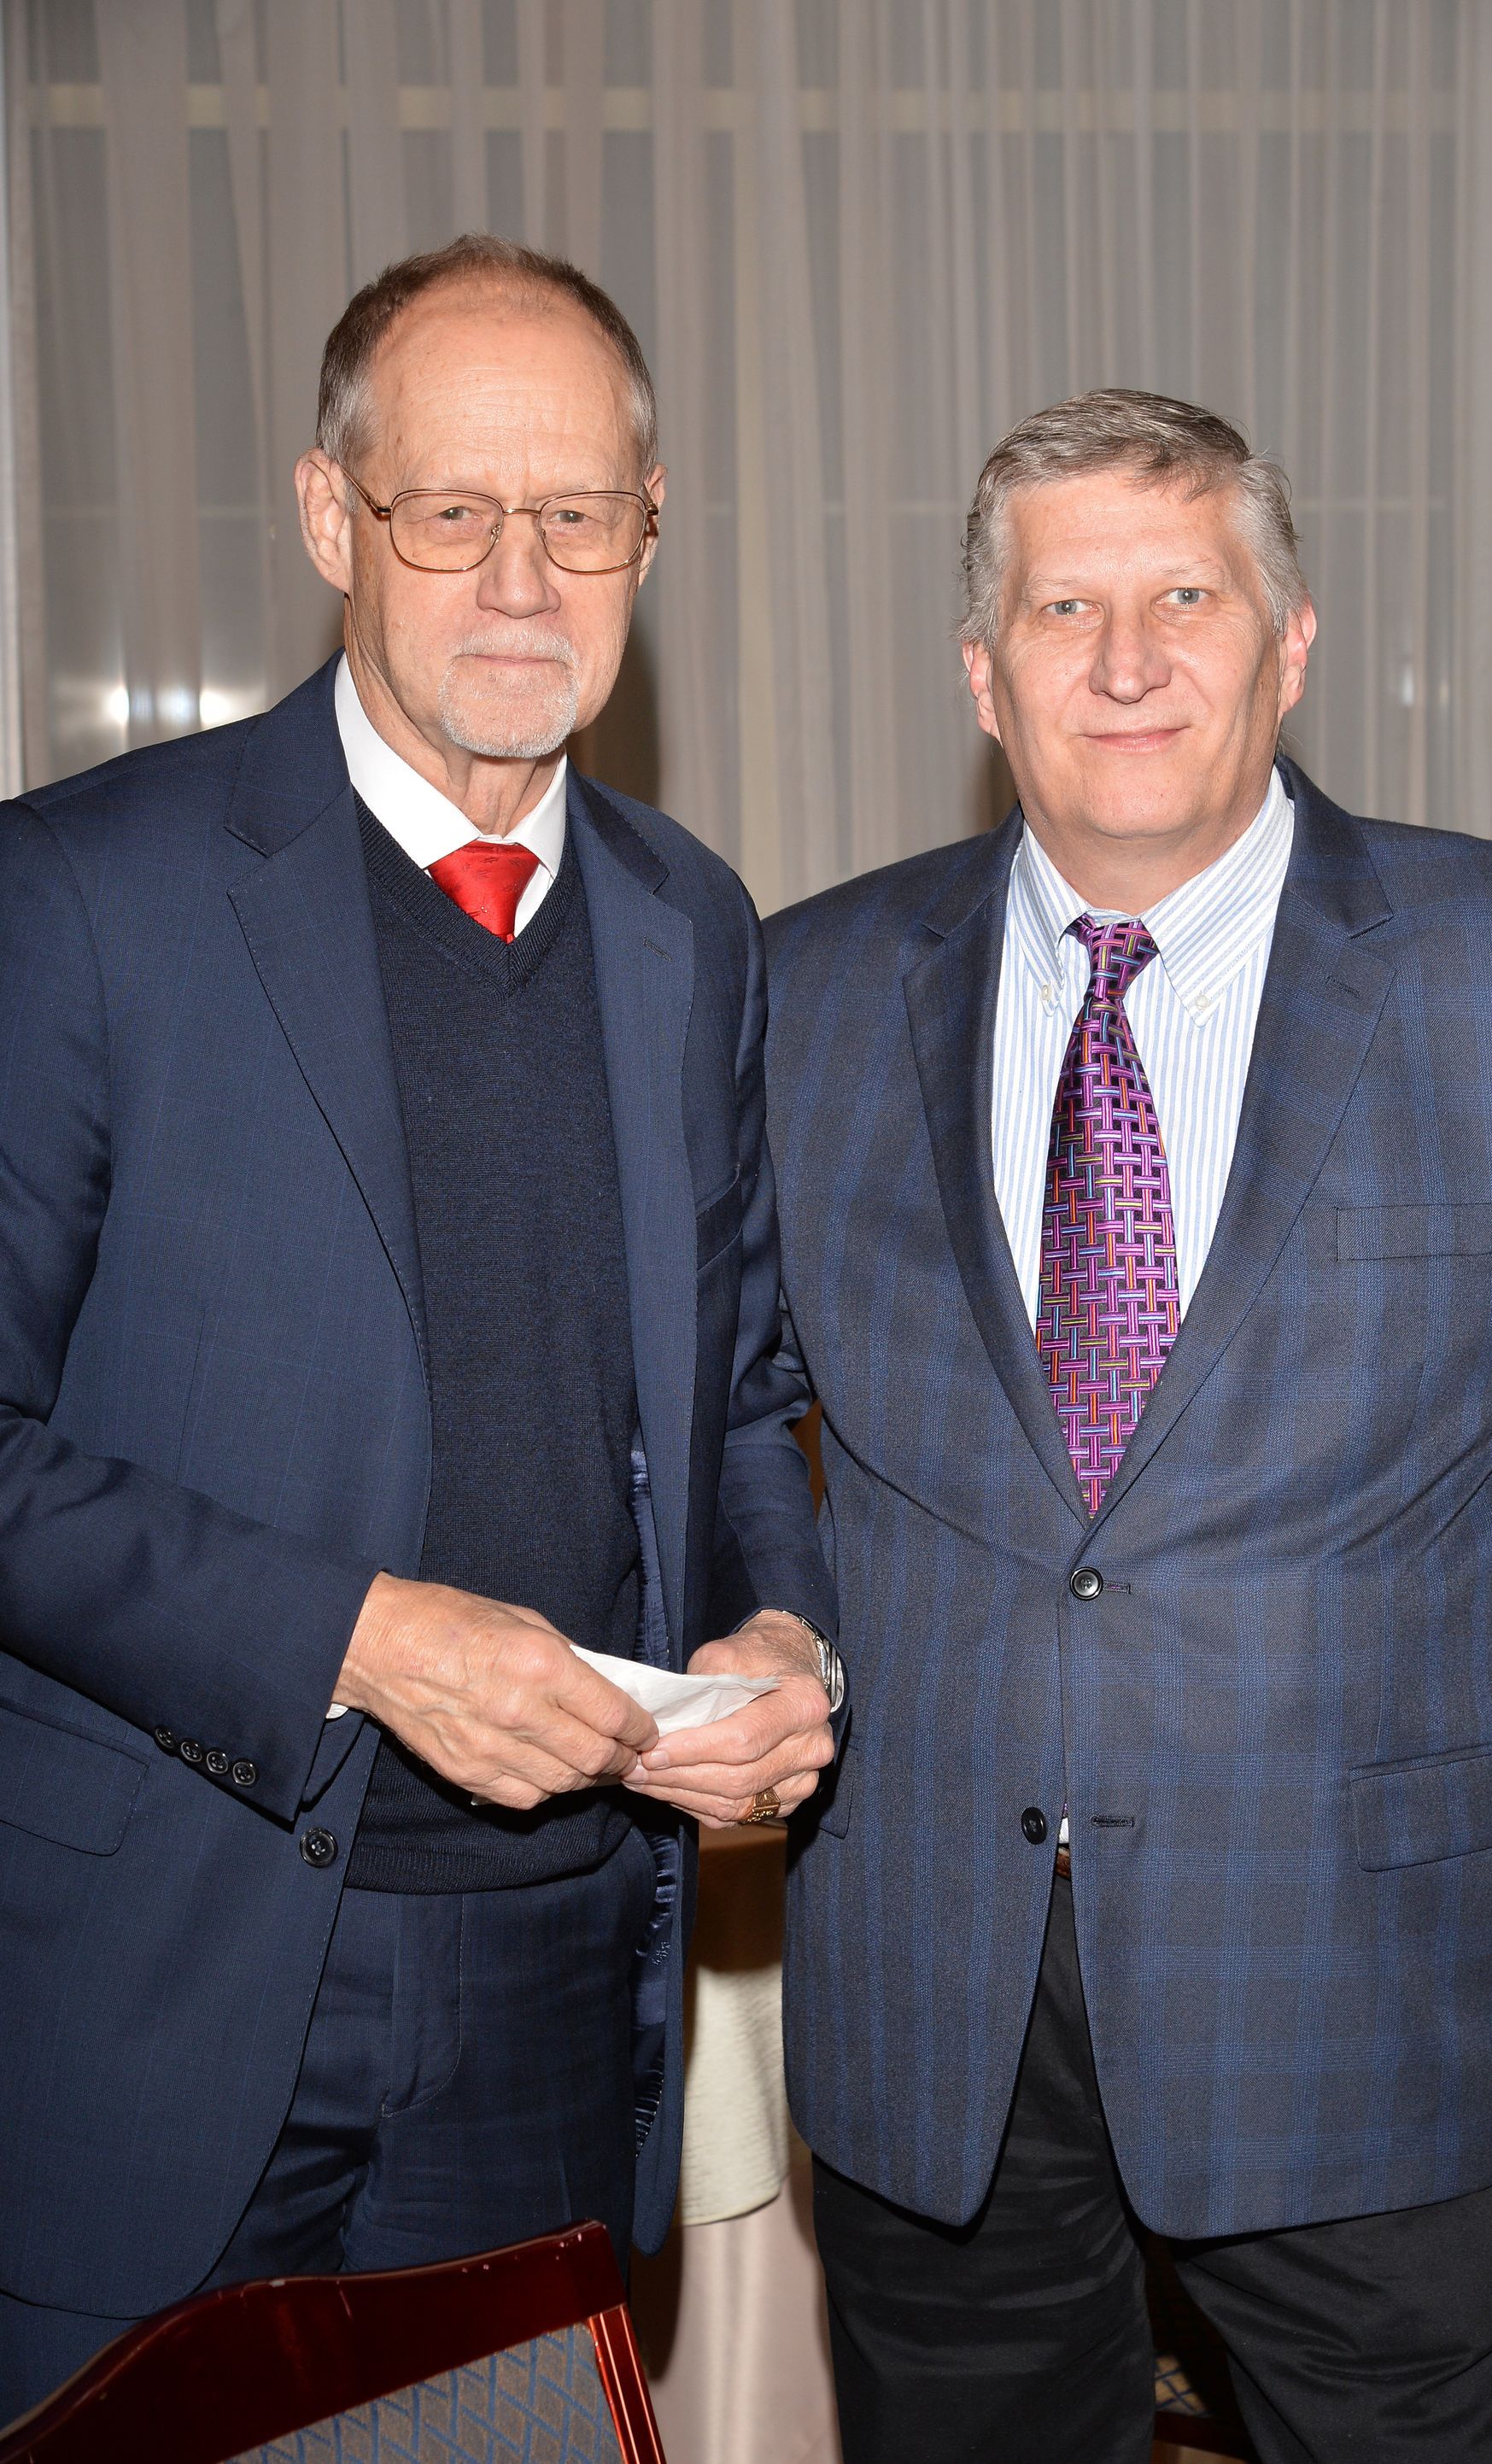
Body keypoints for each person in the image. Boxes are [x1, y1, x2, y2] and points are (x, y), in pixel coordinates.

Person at [0, 233, 840, 2420]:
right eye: (449, 511)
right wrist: (362, 1641)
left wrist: (783, 1636)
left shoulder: (692, 925)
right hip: (164, 1976)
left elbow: (745, 1388)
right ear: (325, 520)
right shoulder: (77, 898)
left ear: (650, 533)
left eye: (579, 518)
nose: (519, 582)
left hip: (568, 1970)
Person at [764, 387, 1492, 2464]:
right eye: (1065, 607)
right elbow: (733, 1415)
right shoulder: (793, 992)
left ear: (1292, 639)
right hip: (923, 1984)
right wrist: (779, 1660)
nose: (1130, 658)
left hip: (1363, 1978)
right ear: (984, 674)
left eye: (1187, 594)